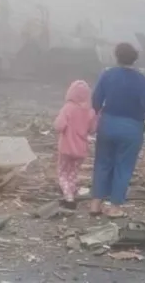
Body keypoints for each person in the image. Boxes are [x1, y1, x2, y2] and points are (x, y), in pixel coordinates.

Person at [90, 43, 145, 217]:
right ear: (135, 58)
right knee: (124, 166)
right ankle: (114, 207)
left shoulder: (107, 75)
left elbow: (96, 101)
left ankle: (95, 204)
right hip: (131, 128)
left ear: (116, 56)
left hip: (107, 124)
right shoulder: (142, 80)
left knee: (102, 164)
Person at [54, 80, 97, 209]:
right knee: (73, 173)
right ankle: (71, 192)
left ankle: (69, 198)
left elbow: (59, 126)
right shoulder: (90, 111)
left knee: (62, 173)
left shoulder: (68, 108)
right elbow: (93, 129)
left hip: (66, 148)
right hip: (81, 149)